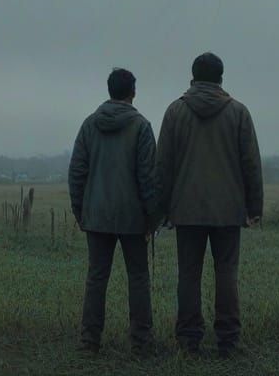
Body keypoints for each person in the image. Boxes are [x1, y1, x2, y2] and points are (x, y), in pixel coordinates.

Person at [156, 52, 262, 359]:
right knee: (226, 272)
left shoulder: (175, 112)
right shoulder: (239, 113)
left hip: (186, 211)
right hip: (228, 210)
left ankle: (189, 340)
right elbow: (251, 164)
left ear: (193, 77)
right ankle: (228, 340)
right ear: (221, 78)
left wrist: (160, 211)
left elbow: (163, 166)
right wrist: (254, 207)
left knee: (188, 274)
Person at [67, 68, 160, 354]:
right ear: (133, 92)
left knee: (96, 277)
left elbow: (77, 172)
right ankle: (141, 343)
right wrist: (152, 218)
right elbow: (148, 178)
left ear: (109, 90)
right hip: (133, 217)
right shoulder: (141, 126)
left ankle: (89, 341)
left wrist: (80, 211)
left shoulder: (89, 125)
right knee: (139, 277)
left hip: (96, 215)